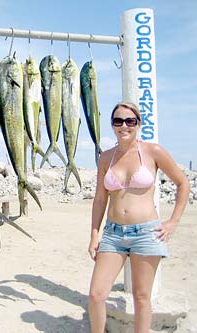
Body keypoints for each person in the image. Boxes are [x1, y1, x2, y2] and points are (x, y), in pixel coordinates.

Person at [88, 102, 190, 333]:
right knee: (96, 294)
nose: (124, 126)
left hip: (146, 233)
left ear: (138, 124)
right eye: (118, 121)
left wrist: (173, 221)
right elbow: (100, 200)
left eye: (129, 121)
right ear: (112, 125)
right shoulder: (106, 158)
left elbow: (182, 183)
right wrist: (94, 235)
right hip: (113, 234)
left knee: (142, 297)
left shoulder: (153, 152)